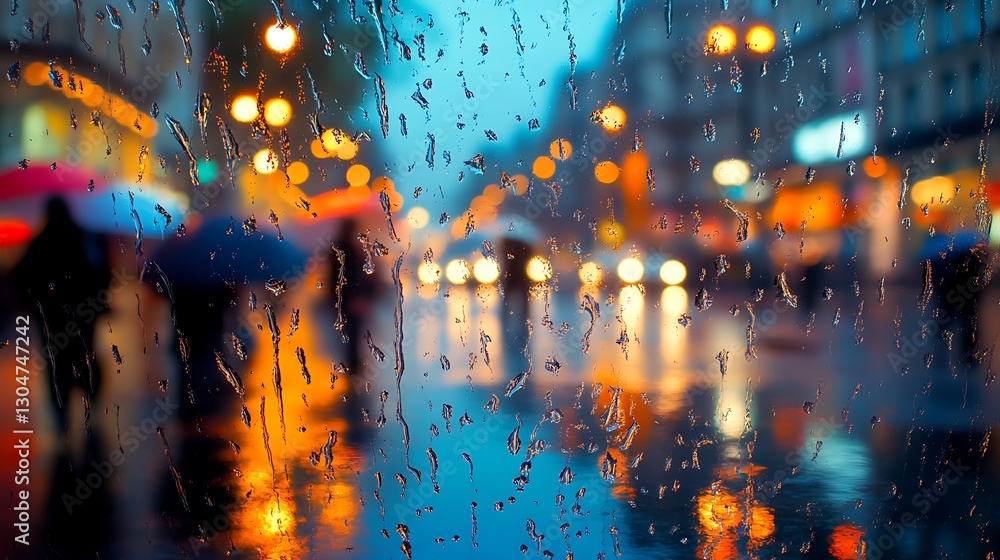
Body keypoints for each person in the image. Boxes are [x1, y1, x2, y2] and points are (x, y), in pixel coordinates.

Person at [11, 197, 111, 433]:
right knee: (86, 356)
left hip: (52, 317)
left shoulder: (41, 242)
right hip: (82, 313)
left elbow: (20, 275)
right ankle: (90, 405)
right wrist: (97, 300)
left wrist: (32, 304)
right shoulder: (82, 237)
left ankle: (62, 414)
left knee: (57, 364)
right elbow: (101, 272)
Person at [329, 218, 380, 375]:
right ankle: (354, 366)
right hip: (351, 299)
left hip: (344, 299)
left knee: (349, 333)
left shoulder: (339, 249)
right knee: (352, 332)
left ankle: (352, 365)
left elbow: (333, 278)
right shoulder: (349, 251)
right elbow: (354, 277)